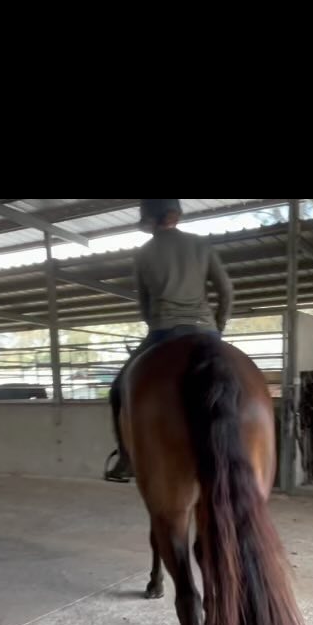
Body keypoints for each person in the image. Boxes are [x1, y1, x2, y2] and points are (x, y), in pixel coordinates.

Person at [106, 198, 234, 481]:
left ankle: (126, 459)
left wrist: (157, 322)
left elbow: (143, 304)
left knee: (117, 390)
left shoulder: (143, 253)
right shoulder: (202, 245)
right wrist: (218, 327)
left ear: (149, 220)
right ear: (175, 216)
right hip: (206, 330)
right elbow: (226, 291)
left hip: (164, 330)